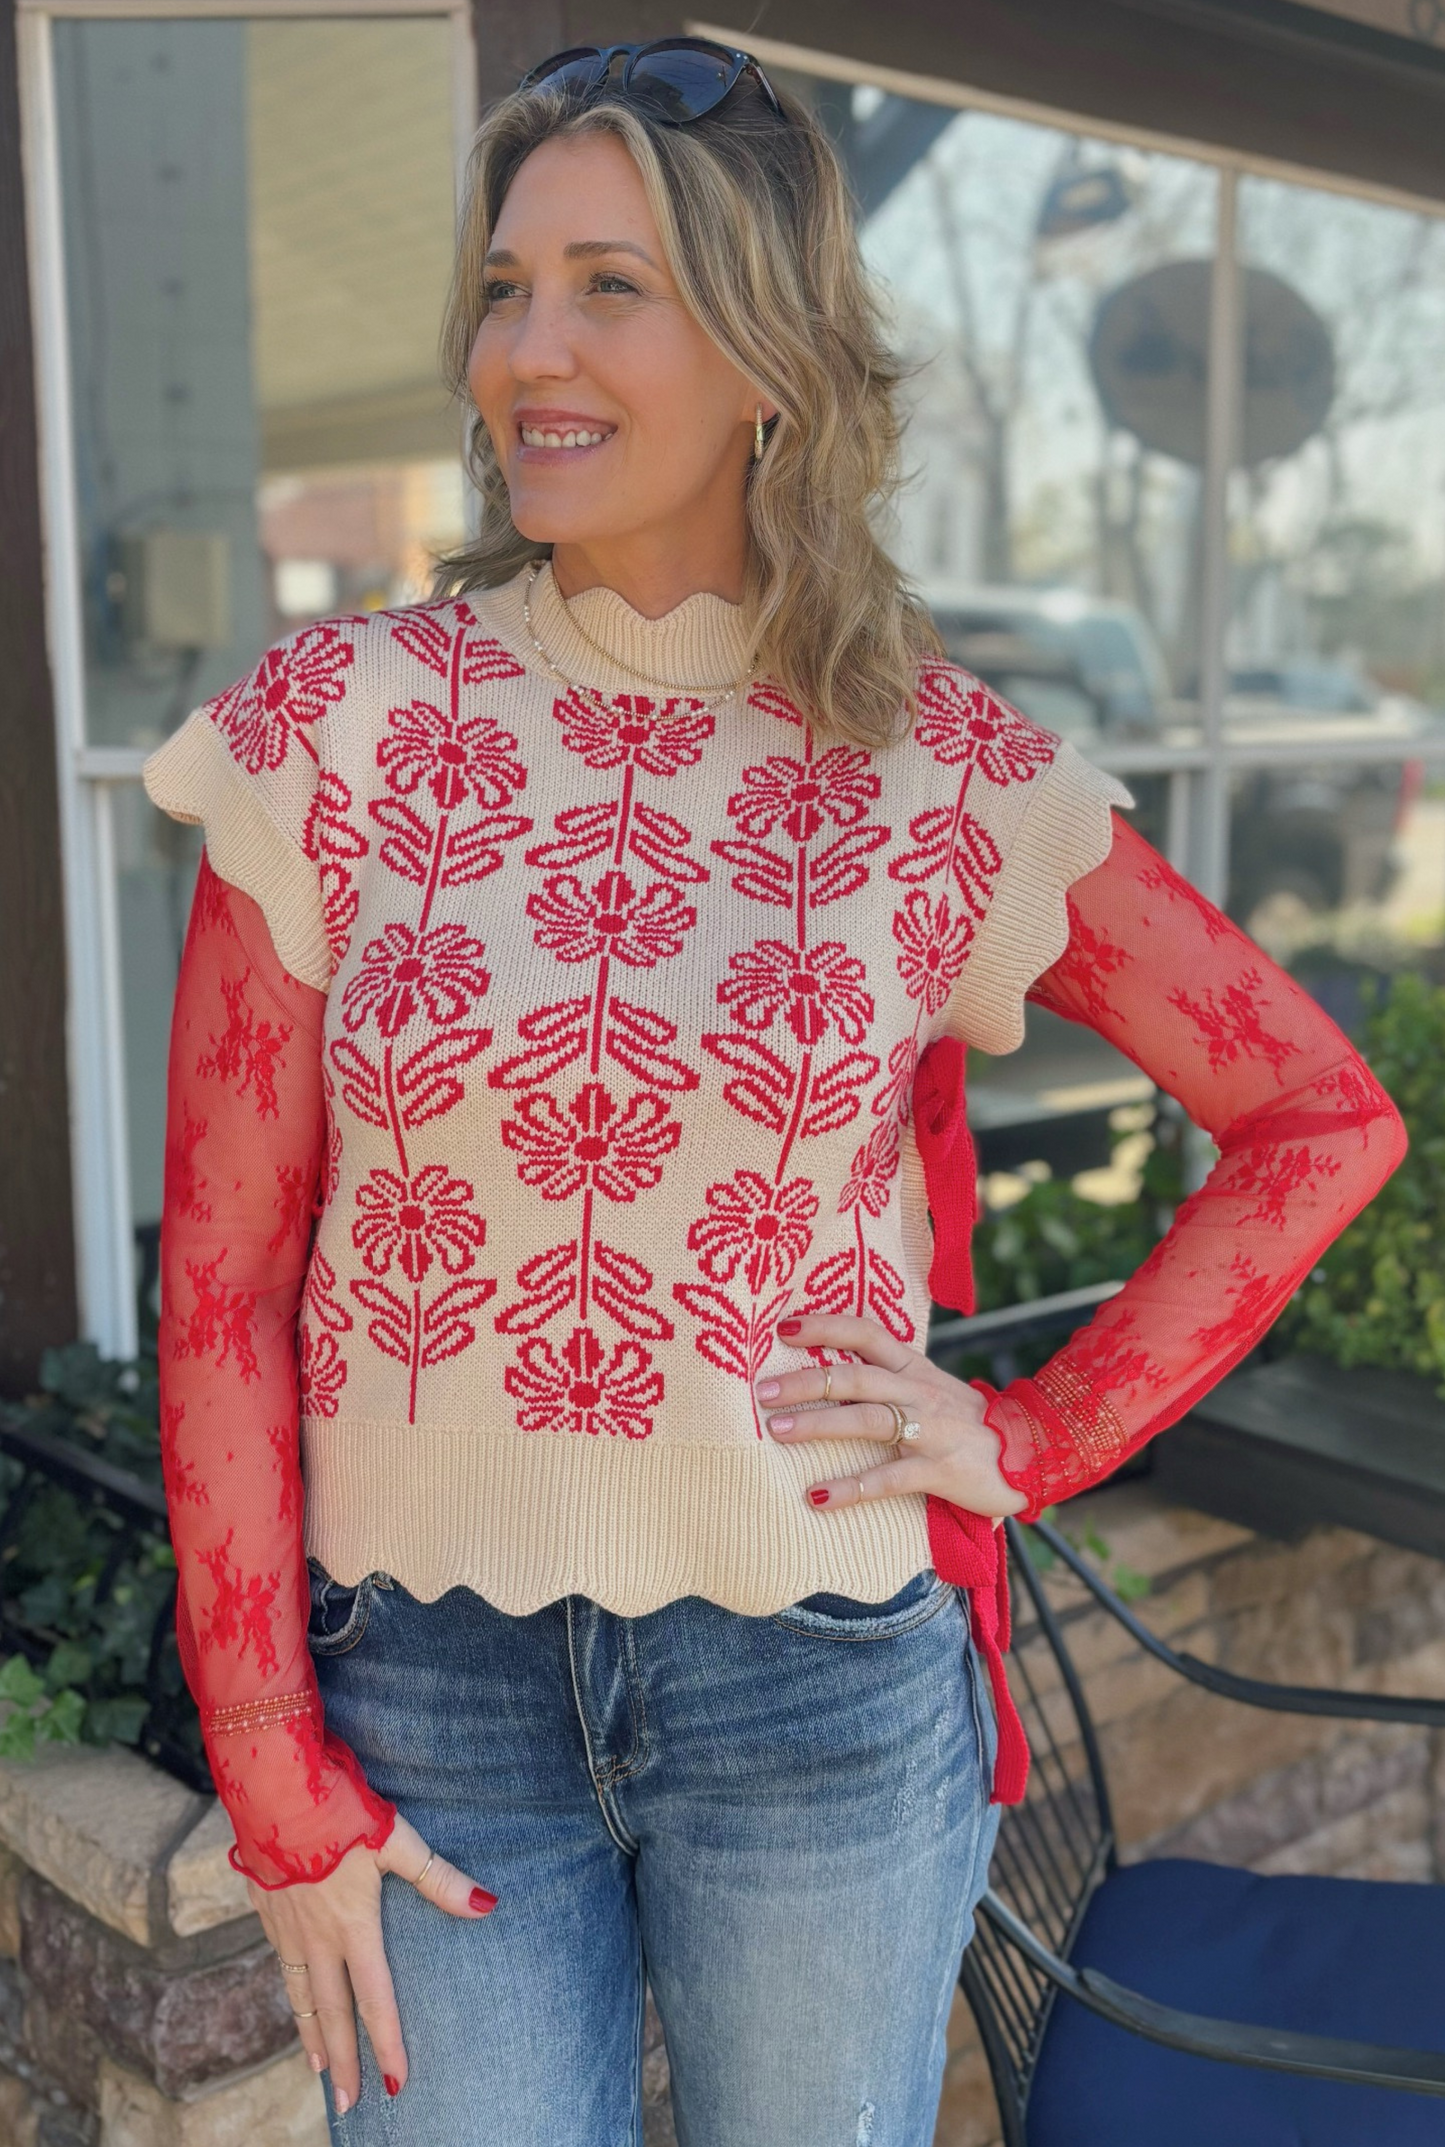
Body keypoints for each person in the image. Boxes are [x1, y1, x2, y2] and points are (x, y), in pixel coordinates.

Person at [142, 40, 1406, 2147]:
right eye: (503, 283)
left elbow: (1313, 1114)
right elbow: (223, 1269)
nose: (523, 348)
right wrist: (267, 1762)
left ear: (766, 351)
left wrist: (1024, 1429)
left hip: (817, 1679)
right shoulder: (328, 731)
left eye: (606, 286)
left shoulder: (939, 769)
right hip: (428, 1689)